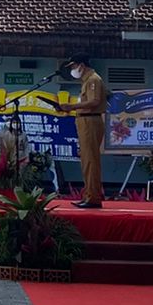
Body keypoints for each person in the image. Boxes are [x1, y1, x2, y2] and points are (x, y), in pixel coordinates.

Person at [58, 55, 108, 209]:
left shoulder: (93, 79)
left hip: (90, 120)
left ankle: (93, 197)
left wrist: (71, 107)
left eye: (73, 67)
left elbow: (94, 101)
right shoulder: (87, 80)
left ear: (81, 65)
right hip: (85, 120)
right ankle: (89, 195)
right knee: (86, 160)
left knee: (90, 160)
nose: (72, 70)